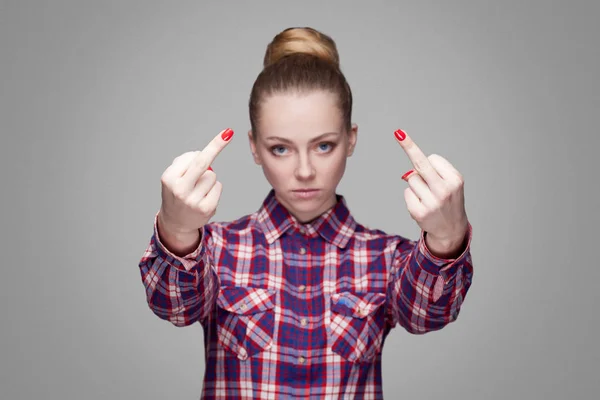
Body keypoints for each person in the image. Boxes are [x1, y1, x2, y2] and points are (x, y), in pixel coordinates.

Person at [138, 27, 474, 399]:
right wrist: (177, 231)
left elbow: (428, 313)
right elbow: (174, 306)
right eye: (281, 148)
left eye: (324, 145)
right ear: (254, 148)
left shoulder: (386, 258)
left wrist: (446, 240)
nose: (304, 171)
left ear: (351, 139)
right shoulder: (215, 250)